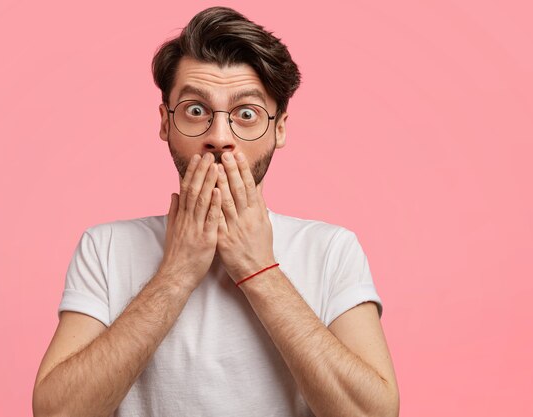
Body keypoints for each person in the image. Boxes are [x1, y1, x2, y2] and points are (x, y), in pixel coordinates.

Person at [32, 6, 399, 417]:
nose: (219, 137)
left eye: (246, 114)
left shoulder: (332, 250)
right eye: (195, 111)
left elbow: (373, 414)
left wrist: (260, 271)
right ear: (165, 123)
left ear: (279, 128)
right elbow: (57, 412)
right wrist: (176, 274)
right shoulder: (105, 247)